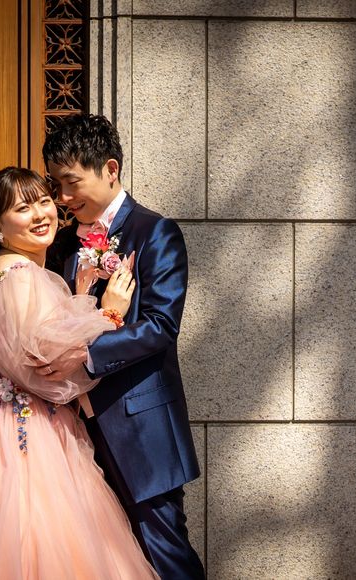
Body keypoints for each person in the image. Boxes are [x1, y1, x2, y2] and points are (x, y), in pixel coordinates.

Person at [0, 167, 158, 580]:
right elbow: (46, 370)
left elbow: (32, 338)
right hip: (19, 432)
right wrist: (109, 314)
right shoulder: (22, 275)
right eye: (23, 208)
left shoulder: (13, 269)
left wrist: (77, 298)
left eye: (44, 201)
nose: (41, 214)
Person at [40, 114, 205, 579]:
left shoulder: (155, 233)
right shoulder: (61, 245)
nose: (63, 198)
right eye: (57, 185)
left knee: (164, 552)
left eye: (71, 182)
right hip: (74, 434)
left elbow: (160, 326)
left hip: (140, 428)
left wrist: (85, 356)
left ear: (110, 169)